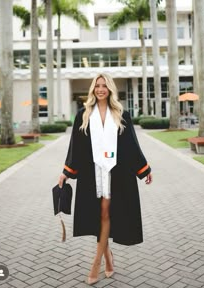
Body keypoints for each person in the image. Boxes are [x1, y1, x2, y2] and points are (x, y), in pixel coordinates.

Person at [58, 73, 152, 285]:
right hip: (93, 175)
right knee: (99, 216)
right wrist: (66, 171)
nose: (100, 89)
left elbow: (131, 146)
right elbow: (76, 148)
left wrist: (144, 169)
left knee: (106, 214)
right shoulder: (83, 114)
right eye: (97, 86)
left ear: (110, 89)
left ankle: (96, 263)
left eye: (104, 86)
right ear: (93, 89)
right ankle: (108, 258)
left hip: (117, 175)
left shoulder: (121, 114)